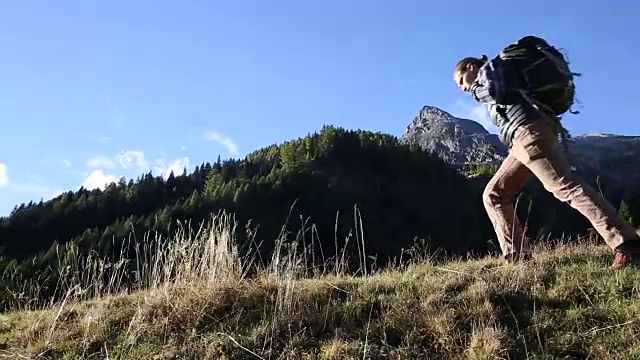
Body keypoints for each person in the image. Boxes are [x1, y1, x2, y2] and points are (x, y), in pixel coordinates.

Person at [453, 35, 640, 270]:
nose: (463, 88)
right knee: (495, 195)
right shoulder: (502, 70)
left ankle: (627, 243)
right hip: (525, 136)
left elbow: (494, 89)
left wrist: (475, 90)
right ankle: (518, 261)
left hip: (529, 131)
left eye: (462, 80)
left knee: (564, 186)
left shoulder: (489, 70)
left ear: (470, 67)